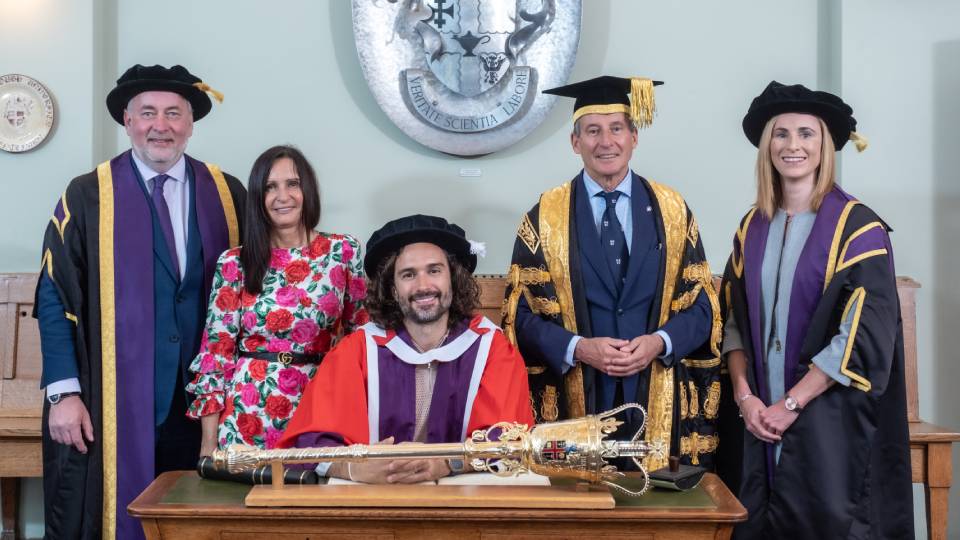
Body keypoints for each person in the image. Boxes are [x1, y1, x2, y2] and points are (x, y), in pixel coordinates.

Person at [33, 64, 246, 539]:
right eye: (147, 112)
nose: (161, 125)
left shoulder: (227, 194)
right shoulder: (88, 195)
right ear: (127, 121)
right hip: (113, 396)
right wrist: (63, 393)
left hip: (209, 402)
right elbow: (54, 294)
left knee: (200, 518)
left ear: (190, 123)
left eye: (174, 113)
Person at [718, 81, 912, 538]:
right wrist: (747, 400)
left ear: (825, 146)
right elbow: (734, 323)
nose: (793, 146)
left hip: (827, 421)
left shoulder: (859, 229)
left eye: (806, 134)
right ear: (768, 148)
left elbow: (862, 335)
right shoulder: (752, 227)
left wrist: (791, 403)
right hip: (759, 416)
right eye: (781, 135)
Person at [502, 76, 721, 472]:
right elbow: (519, 317)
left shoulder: (673, 211)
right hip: (578, 392)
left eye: (617, 128)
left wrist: (660, 342)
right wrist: (578, 348)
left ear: (634, 137)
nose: (606, 142)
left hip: (654, 390)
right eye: (593, 131)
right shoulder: (544, 217)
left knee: (653, 516)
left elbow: (704, 307)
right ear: (575, 142)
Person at [278, 215, 534, 483]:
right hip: (376, 508)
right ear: (392, 288)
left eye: (434, 270)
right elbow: (310, 441)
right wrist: (354, 468)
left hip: (465, 509)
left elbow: (510, 442)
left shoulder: (491, 349)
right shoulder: (357, 352)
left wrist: (448, 463)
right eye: (408, 275)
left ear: (453, 277)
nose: (423, 286)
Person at [185, 145, 368, 454]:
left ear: (307, 190)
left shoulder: (343, 252)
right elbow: (216, 355)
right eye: (271, 187)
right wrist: (208, 444)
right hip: (247, 412)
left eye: (292, 184)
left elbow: (361, 338)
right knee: (242, 501)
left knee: (315, 499)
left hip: (319, 404)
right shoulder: (234, 262)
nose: (282, 196)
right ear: (259, 197)